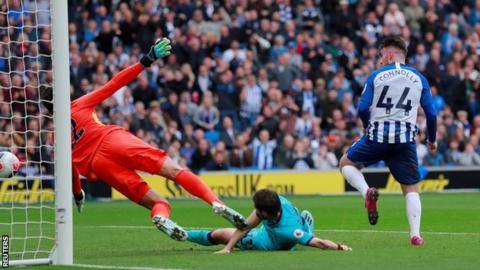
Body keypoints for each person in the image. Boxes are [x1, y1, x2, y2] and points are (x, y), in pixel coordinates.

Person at [70, 38, 246, 241]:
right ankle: (216, 203)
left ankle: (162, 217)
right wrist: (147, 60)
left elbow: (71, 172)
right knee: (175, 171)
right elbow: (114, 84)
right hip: (112, 141)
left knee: (158, 202)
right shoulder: (77, 105)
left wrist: (78, 195)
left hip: (99, 165)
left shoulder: (56, 136)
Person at [339, 36, 437, 246]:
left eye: (381, 54)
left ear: (390, 54)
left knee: (346, 163)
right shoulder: (419, 78)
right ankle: (415, 234)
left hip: (377, 137)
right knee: (411, 188)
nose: (380, 59)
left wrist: (366, 125)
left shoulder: (376, 75)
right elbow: (431, 113)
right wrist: (432, 139)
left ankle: (367, 192)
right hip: (405, 140)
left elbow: (363, 108)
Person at [187, 189, 352, 252]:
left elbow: (321, 244)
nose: (255, 210)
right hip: (279, 228)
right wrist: (228, 249)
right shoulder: (276, 200)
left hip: (268, 243)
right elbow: (244, 227)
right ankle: (305, 229)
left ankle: (185, 235)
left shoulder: (287, 230)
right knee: (239, 229)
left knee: (219, 235)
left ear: (264, 213)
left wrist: (340, 247)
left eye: (257, 210)